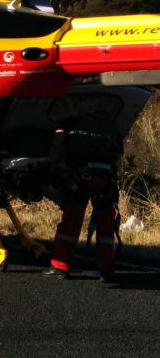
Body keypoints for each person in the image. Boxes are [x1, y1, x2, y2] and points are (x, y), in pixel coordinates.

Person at [44, 111, 124, 281]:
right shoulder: (110, 127)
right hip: (106, 178)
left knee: (72, 220)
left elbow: (57, 143)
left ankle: (61, 267)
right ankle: (106, 269)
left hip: (80, 177)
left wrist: (51, 168)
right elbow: (117, 157)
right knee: (106, 225)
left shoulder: (70, 121)